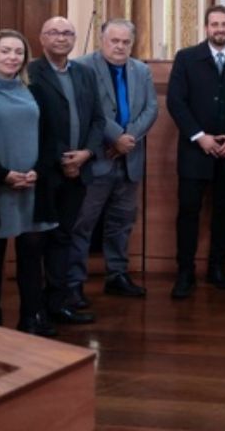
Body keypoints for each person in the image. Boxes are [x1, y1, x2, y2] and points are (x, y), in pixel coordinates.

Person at [0, 30, 60, 335]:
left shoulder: (36, 92)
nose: (12, 57)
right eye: (5, 51)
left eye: (18, 52)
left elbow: (51, 139)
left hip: (34, 187)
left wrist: (39, 172)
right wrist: (2, 175)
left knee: (32, 257)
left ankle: (30, 317)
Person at [166, 5, 225, 299]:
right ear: (206, 28)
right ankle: (185, 272)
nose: (220, 29)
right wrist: (199, 136)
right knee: (188, 213)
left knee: (224, 213)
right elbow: (176, 102)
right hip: (195, 151)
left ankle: (217, 268)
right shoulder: (186, 58)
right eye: (214, 24)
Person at [72, 19, 159, 299]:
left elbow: (151, 109)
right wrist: (115, 138)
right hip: (97, 160)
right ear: (102, 40)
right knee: (83, 224)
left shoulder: (141, 70)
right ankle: (73, 284)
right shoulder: (83, 67)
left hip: (129, 160)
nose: (120, 46)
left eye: (125, 42)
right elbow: (90, 110)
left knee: (121, 223)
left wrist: (127, 140)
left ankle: (117, 275)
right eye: (114, 41)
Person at [28, 16, 103, 325]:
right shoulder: (30, 72)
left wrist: (85, 153)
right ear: (42, 38)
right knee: (38, 241)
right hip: (46, 171)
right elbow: (34, 122)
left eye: (68, 33)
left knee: (64, 238)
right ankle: (35, 309)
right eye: (54, 32)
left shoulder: (84, 73)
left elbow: (98, 119)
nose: (62, 38)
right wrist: (62, 158)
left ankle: (58, 303)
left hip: (80, 170)